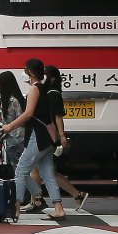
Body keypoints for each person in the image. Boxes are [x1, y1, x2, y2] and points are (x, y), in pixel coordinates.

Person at [0, 58, 67, 221]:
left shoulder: (35, 89)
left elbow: (28, 113)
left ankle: (15, 209)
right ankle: (58, 208)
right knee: (47, 173)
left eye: (25, 70)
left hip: (37, 137)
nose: (24, 73)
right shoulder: (43, 88)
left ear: (31, 72)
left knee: (21, 171)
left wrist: (9, 127)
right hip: (48, 138)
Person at [28, 65, 88, 213]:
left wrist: (61, 136)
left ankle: (37, 199)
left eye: (45, 74)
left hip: (49, 137)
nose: (42, 76)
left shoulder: (53, 94)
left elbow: (58, 117)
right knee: (47, 171)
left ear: (53, 78)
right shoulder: (46, 92)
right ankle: (76, 194)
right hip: (47, 136)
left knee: (37, 168)